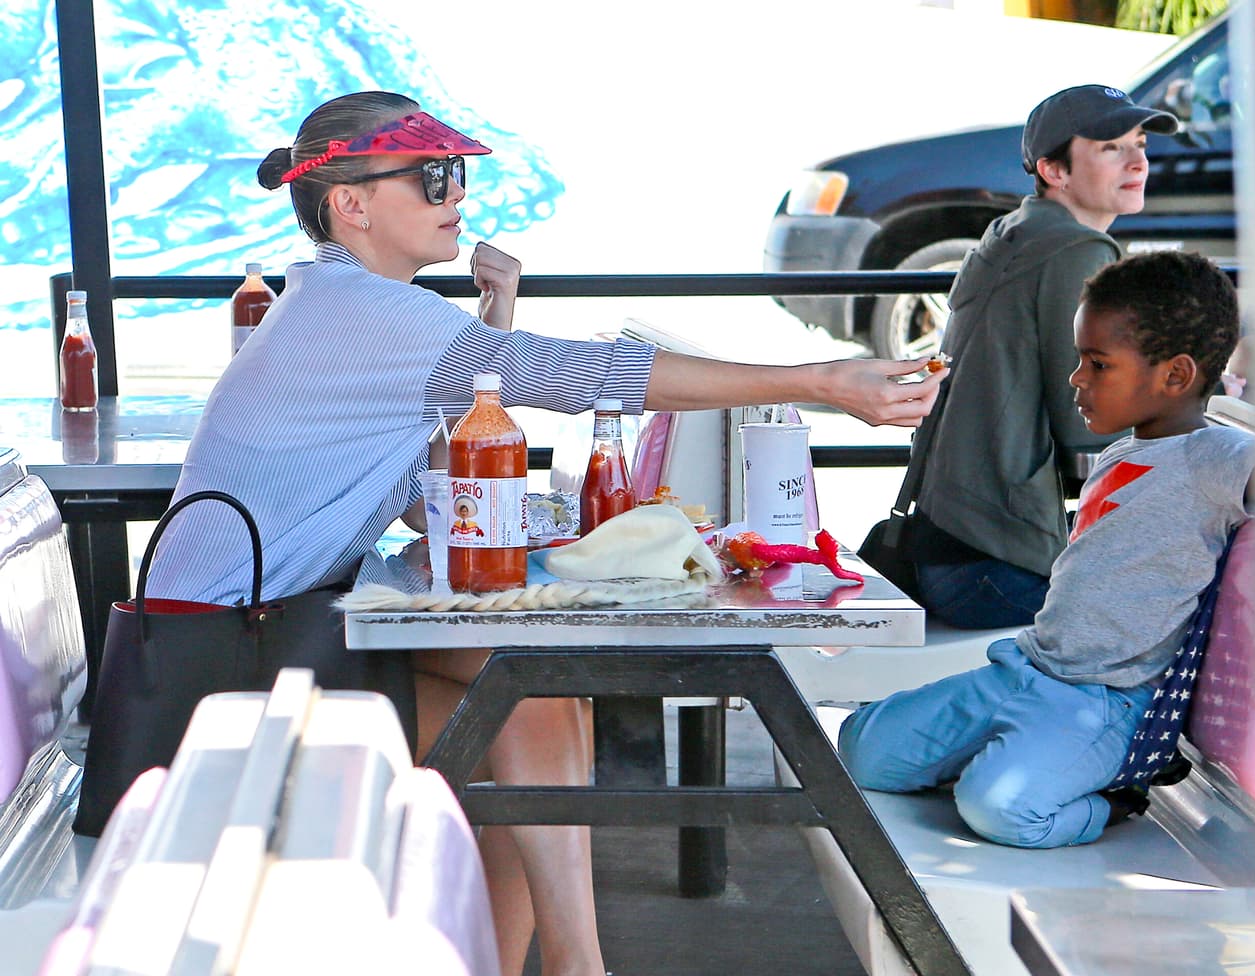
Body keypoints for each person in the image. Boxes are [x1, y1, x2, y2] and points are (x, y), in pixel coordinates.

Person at [145, 91, 946, 976]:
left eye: (455, 174)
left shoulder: (350, 310)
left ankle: (563, 961)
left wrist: (497, 311)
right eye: (433, 175)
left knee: (528, 686)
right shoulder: (365, 315)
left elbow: (432, 488)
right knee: (523, 696)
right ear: (353, 204)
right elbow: (573, 376)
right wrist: (822, 379)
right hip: (225, 671)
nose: (458, 195)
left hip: (273, 632)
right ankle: (577, 964)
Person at [840, 250, 1254, 849]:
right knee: (862, 749)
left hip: (1104, 703)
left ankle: (1109, 802)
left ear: (1176, 376)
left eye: (1097, 364)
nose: (1076, 379)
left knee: (997, 809)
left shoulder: (1217, 458)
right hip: (1028, 667)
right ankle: (1010, 754)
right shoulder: (1120, 453)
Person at [904, 85, 1179, 629]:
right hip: (994, 565)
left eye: (1140, 144)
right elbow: (1091, 422)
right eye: (1110, 147)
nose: (1138, 161)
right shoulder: (1075, 249)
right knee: (1189, 614)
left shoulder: (1016, 228)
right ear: (1054, 170)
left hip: (945, 545)